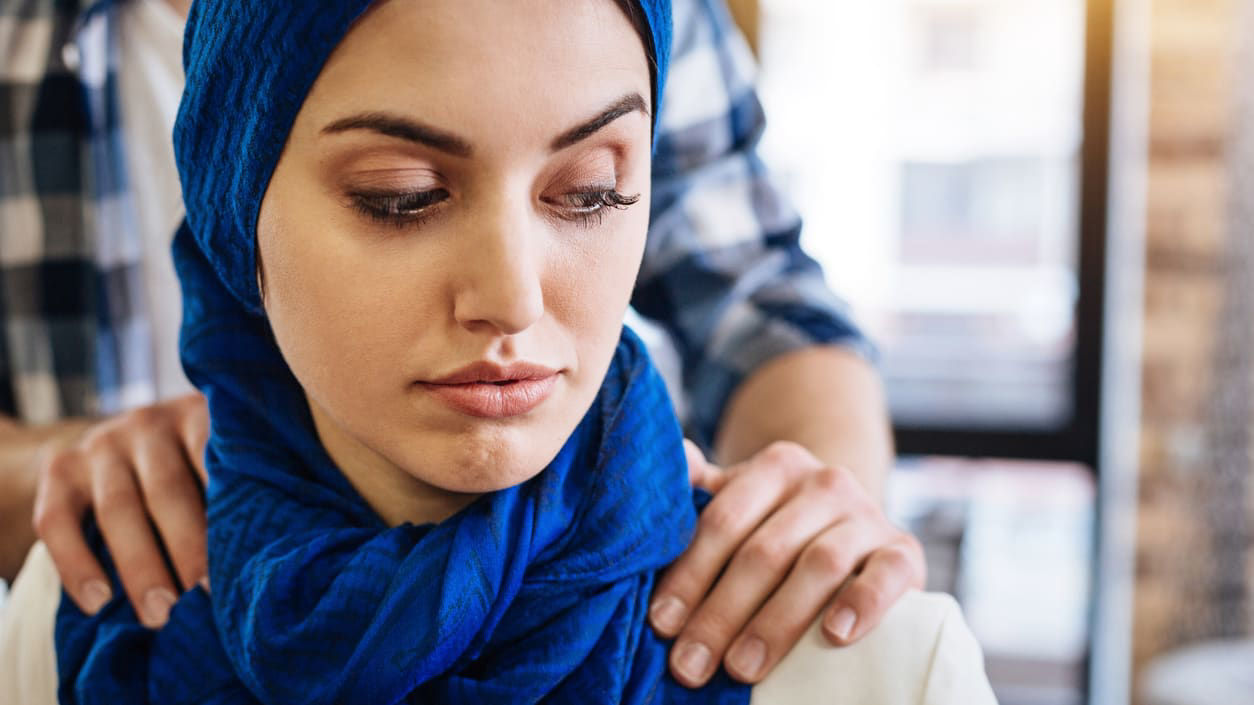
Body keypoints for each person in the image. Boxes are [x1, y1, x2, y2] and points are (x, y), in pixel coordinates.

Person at [11, 1, 994, 702]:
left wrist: (794, 529)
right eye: (401, 197)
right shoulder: (72, 613)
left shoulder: (885, 669)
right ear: (234, 224)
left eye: (592, 191)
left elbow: (764, 302)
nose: (514, 298)